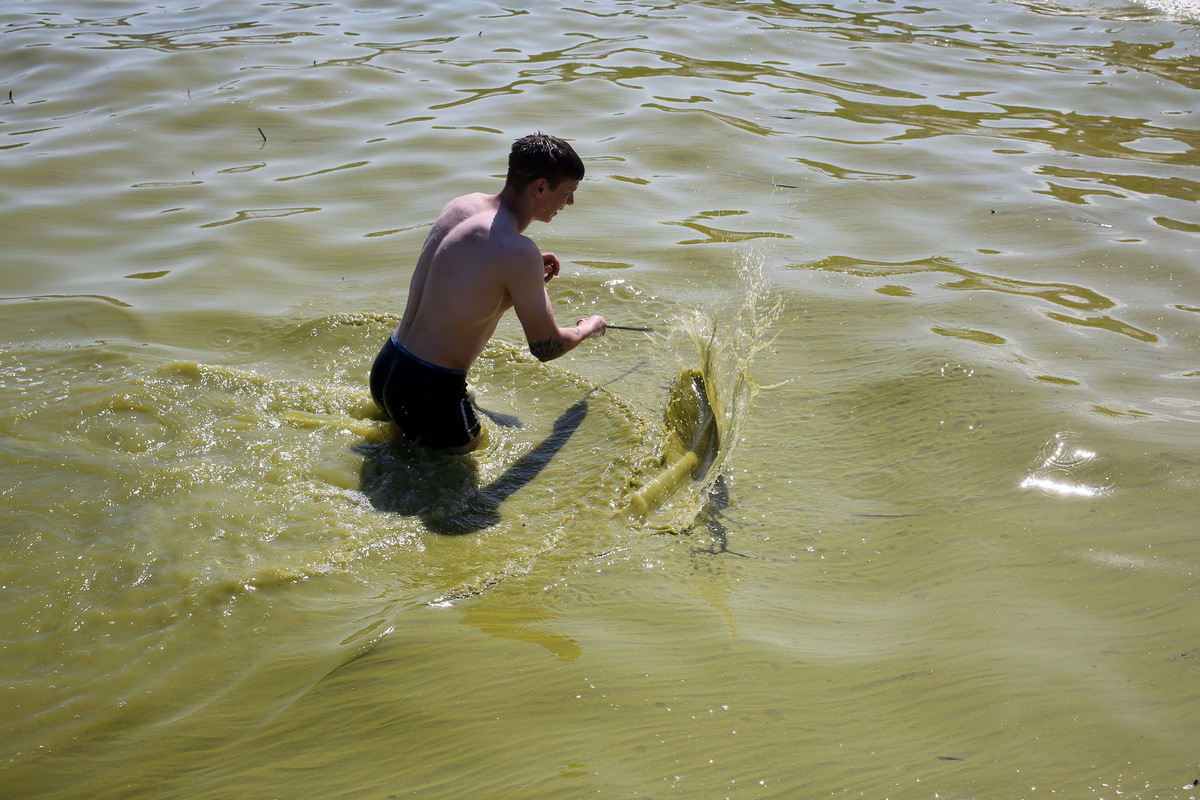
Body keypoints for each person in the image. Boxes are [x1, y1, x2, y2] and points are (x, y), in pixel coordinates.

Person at [369, 133, 607, 454]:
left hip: (390, 365)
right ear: (539, 187)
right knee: (457, 495)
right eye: (567, 193)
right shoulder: (516, 252)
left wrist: (525, 272)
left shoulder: (462, 206)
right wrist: (589, 327)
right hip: (430, 387)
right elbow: (546, 348)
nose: (570, 202)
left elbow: (455, 270)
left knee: (402, 454)